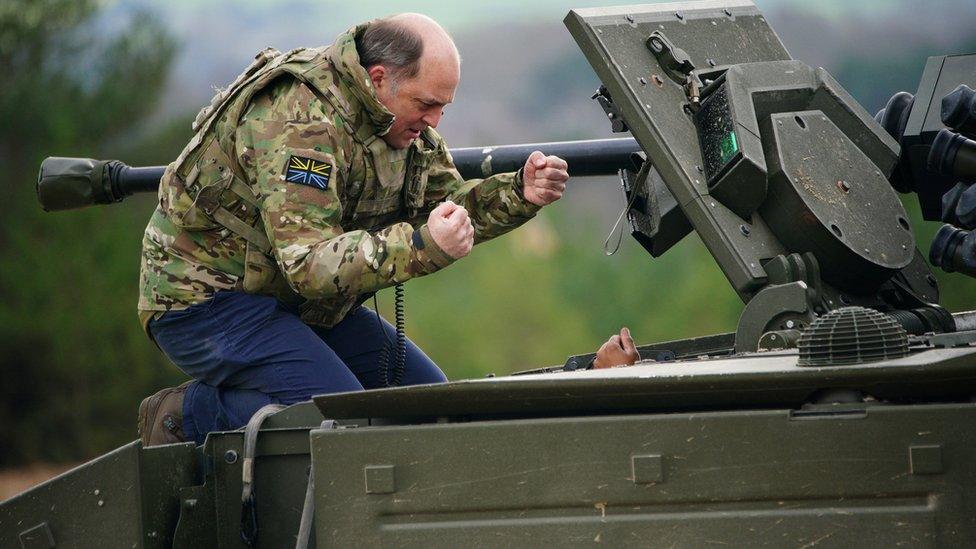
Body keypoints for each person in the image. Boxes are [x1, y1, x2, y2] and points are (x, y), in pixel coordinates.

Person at [137, 13, 570, 446]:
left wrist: (519, 193)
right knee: (339, 416)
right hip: (205, 300)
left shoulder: (397, 123)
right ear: (380, 79)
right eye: (426, 105)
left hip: (296, 301)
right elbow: (307, 263)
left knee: (429, 405)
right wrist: (422, 245)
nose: (435, 120)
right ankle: (189, 416)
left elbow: (449, 207)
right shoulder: (301, 122)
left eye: (442, 107)